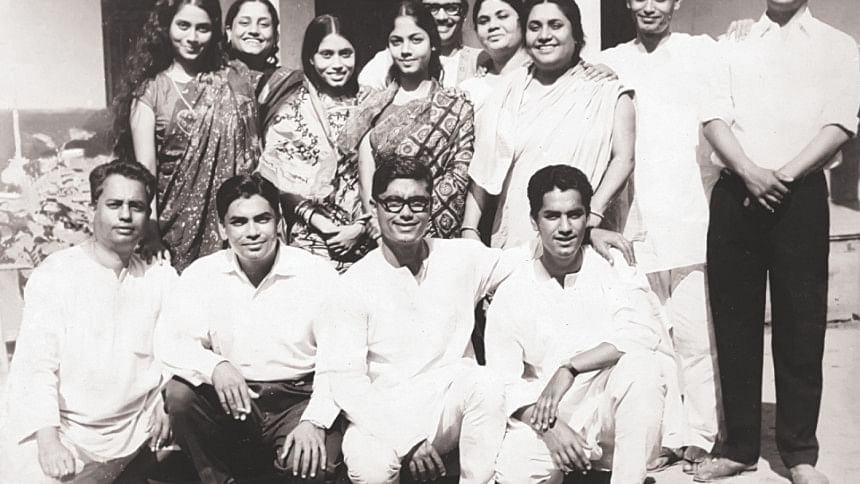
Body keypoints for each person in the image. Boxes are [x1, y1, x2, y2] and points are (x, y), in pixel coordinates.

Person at [696, 1, 860, 482]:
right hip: (737, 193)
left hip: (800, 195)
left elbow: (840, 124)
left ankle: (799, 453)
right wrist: (750, 173)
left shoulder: (838, 45)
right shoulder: (733, 41)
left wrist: (781, 177)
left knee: (801, 326)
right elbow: (713, 117)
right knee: (734, 323)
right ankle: (740, 447)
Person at [318, 159, 531, 484]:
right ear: (375, 207)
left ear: (430, 207)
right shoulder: (353, 284)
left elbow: (524, 258)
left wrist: (590, 232)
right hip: (381, 415)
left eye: (417, 203)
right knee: (371, 467)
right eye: (394, 202)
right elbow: (347, 384)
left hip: (446, 406)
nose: (406, 213)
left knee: (485, 383)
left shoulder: (460, 256)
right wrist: (407, 440)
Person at [595, 0, 721, 472]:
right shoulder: (609, 62)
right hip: (635, 220)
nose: (650, 5)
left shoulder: (701, 51)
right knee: (654, 335)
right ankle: (667, 436)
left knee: (695, 334)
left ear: (677, 2)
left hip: (693, 216)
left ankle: (703, 435)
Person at [154, 174, 344, 484]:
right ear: (222, 229)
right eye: (239, 222)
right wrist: (216, 366)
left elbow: (339, 361)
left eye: (262, 219)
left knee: (311, 468)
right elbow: (171, 343)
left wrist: (314, 421)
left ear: (279, 222)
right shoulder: (202, 274)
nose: (252, 232)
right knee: (180, 394)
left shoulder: (316, 274)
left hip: (299, 400)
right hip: (236, 401)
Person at [0, 159, 177, 484]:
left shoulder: (159, 279)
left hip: (133, 433)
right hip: (65, 432)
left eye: (136, 206)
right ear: (93, 207)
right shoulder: (57, 274)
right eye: (114, 204)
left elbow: (179, 347)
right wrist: (48, 440)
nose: (126, 215)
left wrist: (165, 399)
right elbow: (35, 365)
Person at [486, 164, 665, 484]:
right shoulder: (514, 289)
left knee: (642, 368)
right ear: (534, 221)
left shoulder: (612, 264)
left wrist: (570, 367)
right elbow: (503, 380)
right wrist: (550, 427)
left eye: (575, 215)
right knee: (515, 474)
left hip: (609, 412)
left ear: (587, 217)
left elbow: (642, 333)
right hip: (550, 416)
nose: (565, 227)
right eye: (552, 216)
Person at [464, 0, 635, 249]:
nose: (544, 35)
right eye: (535, 27)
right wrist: (469, 228)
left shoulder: (608, 92)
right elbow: (484, 167)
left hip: (582, 237)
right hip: (518, 236)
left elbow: (624, 159)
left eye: (555, 25)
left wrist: (592, 215)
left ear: (576, 34)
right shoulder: (507, 90)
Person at [114, 0, 261, 272]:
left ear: (214, 31)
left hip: (234, 226)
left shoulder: (234, 80)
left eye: (202, 28)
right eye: (183, 25)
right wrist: (152, 235)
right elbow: (146, 174)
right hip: (172, 233)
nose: (192, 37)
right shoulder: (150, 92)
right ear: (166, 27)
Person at [338, 0, 475, 239]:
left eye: (416, 40)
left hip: (433, 238)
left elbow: (458, 178)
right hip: (378, 235)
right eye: (396, 41)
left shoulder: (456, 108)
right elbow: (364, 180)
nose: (405, 50)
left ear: (433, 43)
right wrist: (379, 227)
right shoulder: (373, 107)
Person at [256, 14, 373, 272]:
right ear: (311, 57)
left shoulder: (371, 103)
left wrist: (360, 228)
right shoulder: (291, 107)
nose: (337, 64)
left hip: (364, 237)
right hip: (310, 236)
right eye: (326, 55)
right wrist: (325, 226)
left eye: (345, 54)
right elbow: (279, 181)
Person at [358, 0, 481, 89]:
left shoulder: (480, 59)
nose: (441, 17)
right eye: (432, 8)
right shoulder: (391, 58)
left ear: (464, 14)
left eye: (452, 8)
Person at [224, 0, 280, 92]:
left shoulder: (290, 84)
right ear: (229, 32)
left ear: (276, 36)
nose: (254, 31)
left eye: (264, 24)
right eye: (244, 23)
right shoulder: (211, 80)